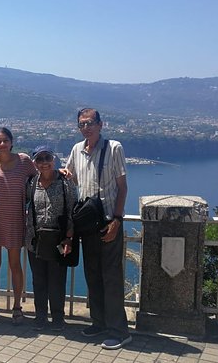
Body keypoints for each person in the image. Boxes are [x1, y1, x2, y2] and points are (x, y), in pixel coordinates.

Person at [65, 108, 131, 350]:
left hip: (107, 221)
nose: (86, 127)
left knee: (111, 276)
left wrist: (117, 220)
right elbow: (72, 178)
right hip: (87, 223)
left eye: (91, 123)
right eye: (82, 124)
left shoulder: (113, 148)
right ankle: (100, 322)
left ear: (101, 124)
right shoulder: (76, 150)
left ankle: (119, 331)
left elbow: (123, 188)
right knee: (92, 273)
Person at [0, 127, 37, 324]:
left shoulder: (24, 161)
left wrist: (59, 173)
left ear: (11, 141)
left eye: (5, 140)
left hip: (15, 218)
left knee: (15, 264)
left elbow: (40, 179)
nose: (2, 144)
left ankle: (17, 307)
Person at [25, 145, 77, 332]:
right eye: (40, 159)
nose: (44, 162)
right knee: (38, 280)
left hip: (59, 239)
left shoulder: (65, 182)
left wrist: (69, 238)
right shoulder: (31, 183)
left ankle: (57, 317)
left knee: (57, 280)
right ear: (35, 163)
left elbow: (72, 210)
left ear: (53, 159)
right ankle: (40, 316)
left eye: (47, 158)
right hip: (35, 239)